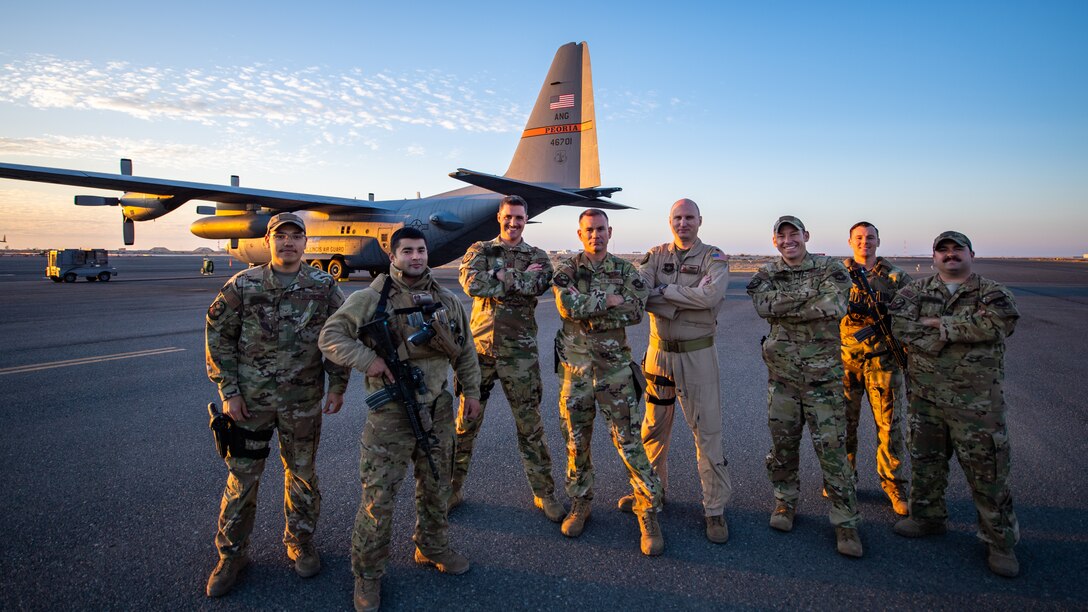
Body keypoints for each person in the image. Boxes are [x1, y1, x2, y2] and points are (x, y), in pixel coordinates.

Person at [319, 227, 482, 611]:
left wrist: (471, 391)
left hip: (438, 409)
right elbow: (330, 336)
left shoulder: (446, 299)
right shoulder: (370, 298)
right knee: (379, 498)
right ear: (393, 256)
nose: (415, 257)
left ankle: (432, 545)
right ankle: (368, 575)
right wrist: (369, 359)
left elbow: (466, 350)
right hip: (391, 413)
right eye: (406, 251)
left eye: (421, 250)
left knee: (437, 486)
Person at [204, 212, 349, 597]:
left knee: (302, 474)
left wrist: (338, 385)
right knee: (242, 478)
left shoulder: (322, 286)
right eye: (280, 236)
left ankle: (300, 541)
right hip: (250, 403)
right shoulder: (244, 284)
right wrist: (229, 391)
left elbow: (339, 336)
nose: (288, 242)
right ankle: (232, 554)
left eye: (295, 236)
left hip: (302, 400)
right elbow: (218, 336)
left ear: (306, 243)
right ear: (269, 241)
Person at [889, 231, 1021, 578]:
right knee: (925, 462)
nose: (950, 255)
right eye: (942, 250)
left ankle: (1000, 542)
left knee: (988, 472)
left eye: (956, 249)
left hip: (975, 402)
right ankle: (927, 517)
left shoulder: (992, 292)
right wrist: (959, 332)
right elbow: (901, 326)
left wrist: (940, 325)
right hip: (926, 397)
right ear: (934, 257)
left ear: (971, 254)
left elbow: (998, 323)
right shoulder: (914, 292)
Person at [746, 215, 863, 558]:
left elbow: (836, 306)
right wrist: (810, 300)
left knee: (832, 450)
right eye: (781, 236)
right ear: (774, 242)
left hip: (823, 380)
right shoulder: (767, 273)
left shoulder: (831, 268)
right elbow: (762, 305)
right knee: (783, 447)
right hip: (782, 379)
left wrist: (786, 305)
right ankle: (785, 503)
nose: (787, 241)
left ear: (805, 236)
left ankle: (846, 522)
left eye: (793, 234)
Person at [553, 208, 664, 556]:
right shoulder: (567, 269)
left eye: (601, 229)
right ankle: (580, 503)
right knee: (576, 444)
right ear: (580, 232)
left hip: (615, 372)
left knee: (630, 443)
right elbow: (567, 306)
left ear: (610, 231)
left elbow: (634, 310)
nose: (595, 235)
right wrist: (609, 300)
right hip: (577, 374)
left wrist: (596, 305)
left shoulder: (625, 270)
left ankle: (647, 511)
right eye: (589, 230)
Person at [451, 195, 564, 522]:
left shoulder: (538, 255)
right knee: (465, 425)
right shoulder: (479, 251)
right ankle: (452, 488)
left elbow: (538, 284)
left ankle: (545, 493)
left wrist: (499, 277)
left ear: (526, 219)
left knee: (530, 427)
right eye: (508, 217)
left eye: (519, 218)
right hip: (479, 354)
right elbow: (472, 283)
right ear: (499, 218)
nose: (513, 223)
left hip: (521, 356)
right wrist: (517, 278)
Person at [633, 198, 733, 543]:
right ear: (669, 221)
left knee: (707, 432)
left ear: (700, 221)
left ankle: (715, 509)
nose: (683, 223)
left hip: (698, 356)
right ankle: (649, 493)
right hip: (658, 356)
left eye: (689, 217)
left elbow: (711, 296)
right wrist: (682, 298)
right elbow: (639, 293)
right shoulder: (655, 254)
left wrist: (667, 291)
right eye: (677, 217)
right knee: (652, 431)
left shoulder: (713, 257)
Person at [839, 221, 912, 515]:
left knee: (890, 427)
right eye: (858, 238)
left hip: (884, 362)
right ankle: (845, 479)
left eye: (870, 238)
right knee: (844, 424)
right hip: (845, 361)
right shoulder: (837, 275)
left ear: (878, 241)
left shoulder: (896, 278)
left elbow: (912, 316)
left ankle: (893, 483)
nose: (864, 242)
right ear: (850, 241)